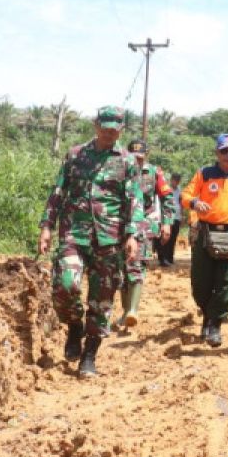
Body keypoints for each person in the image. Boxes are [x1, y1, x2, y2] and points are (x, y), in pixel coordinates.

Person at [38, 105, 143, 379]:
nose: (108, 134)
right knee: (66, 285)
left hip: (110, 239)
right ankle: (74, 326)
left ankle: (89, 355)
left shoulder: (128, 161)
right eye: (104, 128)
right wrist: (47, 225)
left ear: (120, 130)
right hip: (74, 232)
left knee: (102, 300)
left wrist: (133, 235)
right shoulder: (75, 155)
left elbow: (134, 200)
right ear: (95, 125)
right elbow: (58, 191)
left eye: (114, 130)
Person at [182, 133, 228, 347]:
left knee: (226, 283)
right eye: (224, 151)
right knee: (201, 283)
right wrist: (194, 203)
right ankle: (207, 316)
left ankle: (215, 326)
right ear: (217, 153)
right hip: (205, 234)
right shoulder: (204, 173)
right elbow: (185, 195)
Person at [117, 139, 174, 331]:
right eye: (134, 158)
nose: (137, 162)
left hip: (144, 225)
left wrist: (166, 223)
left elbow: (167, 199)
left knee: (136, 264)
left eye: (140, 158)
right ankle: (125, 311)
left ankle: (133, 310)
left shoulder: (154, 173)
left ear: (146, 157)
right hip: (120, 226)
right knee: (121, 270)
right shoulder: (119, 171)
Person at [157, 172, 184, 266]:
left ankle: (170, 258)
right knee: (166, 238)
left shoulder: (179, 190)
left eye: (178, 180)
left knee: (173, 239)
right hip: (167, 217)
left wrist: (182, 216)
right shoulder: (166, 189)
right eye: (174, 180)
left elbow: (181, 203)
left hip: (177, 217)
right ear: (171, 179)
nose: (176, 182)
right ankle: (163, 258)